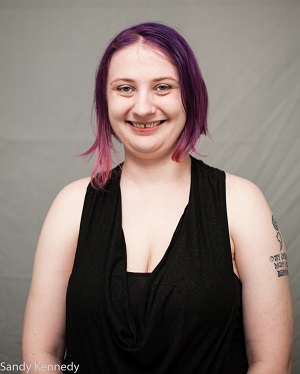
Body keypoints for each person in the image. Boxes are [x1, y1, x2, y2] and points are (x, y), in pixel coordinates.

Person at [22, 22, 294, 373]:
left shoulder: (244, 205)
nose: (143, 107)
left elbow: (272, 363)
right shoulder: (70, 206)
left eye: (163, 87)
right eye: (125, 88)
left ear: (191, 96)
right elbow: (39, 354)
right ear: (104, 101)